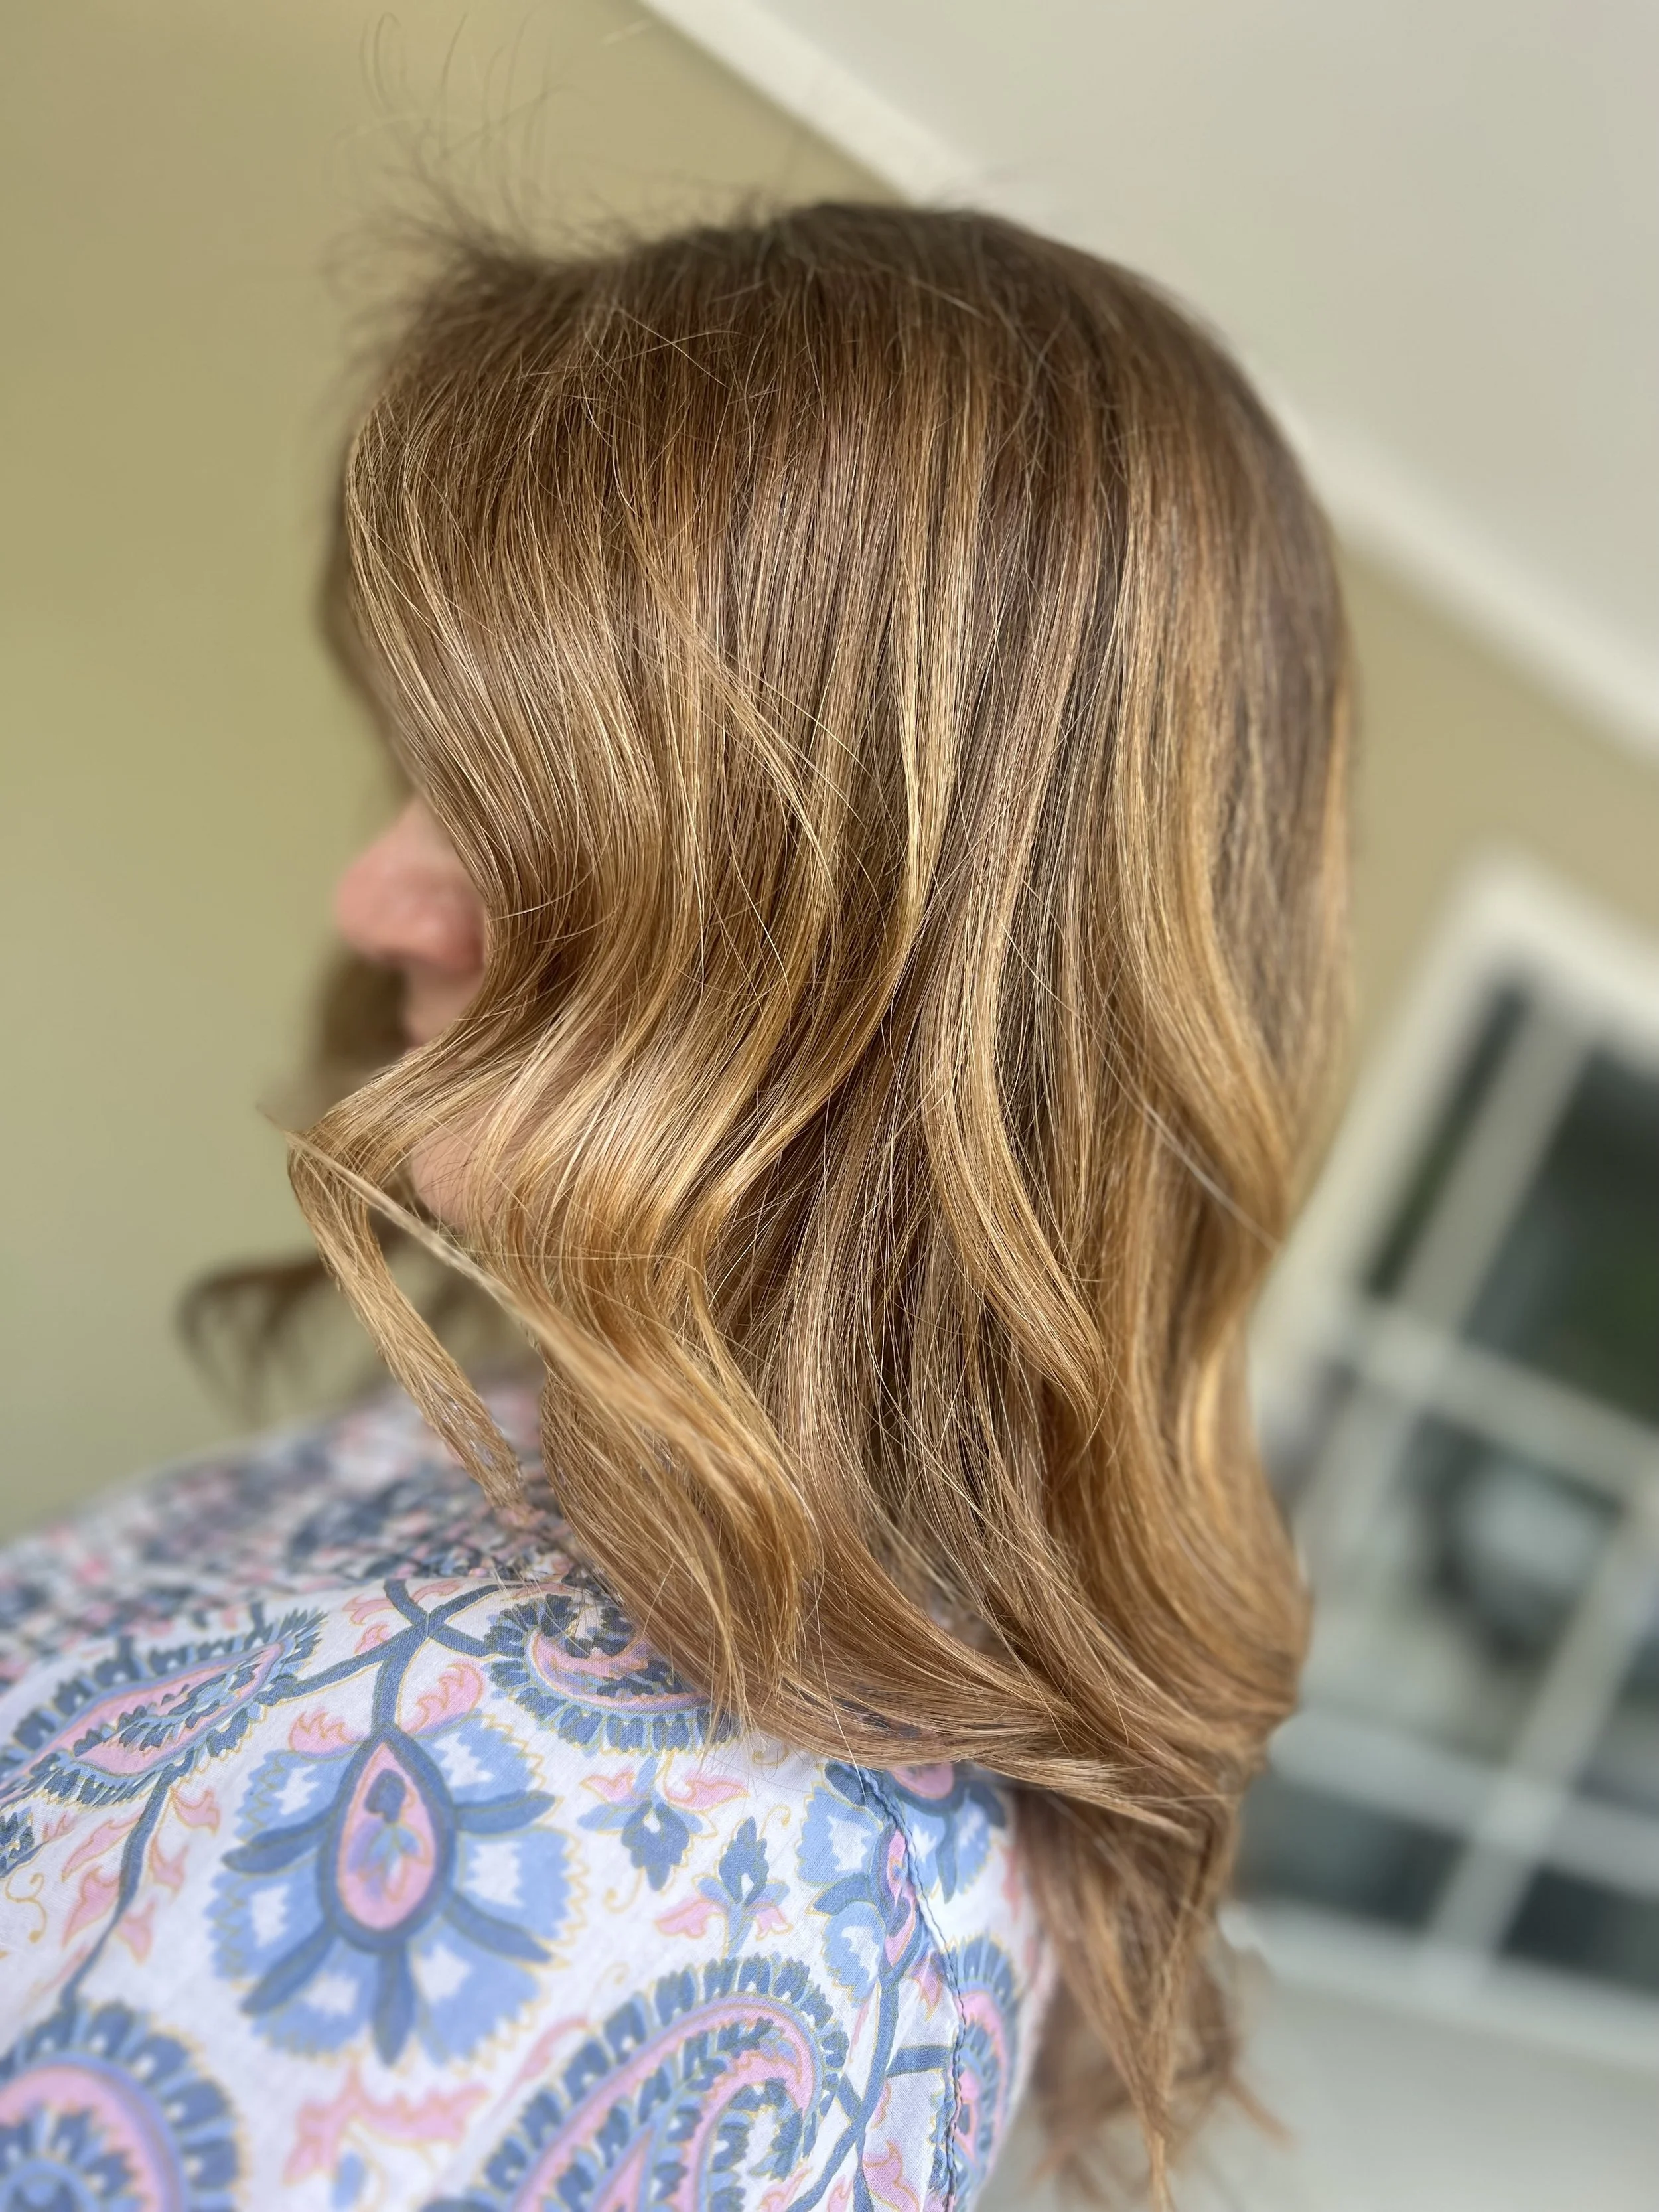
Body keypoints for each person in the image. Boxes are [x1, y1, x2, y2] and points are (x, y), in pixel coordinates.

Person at [0, 202, 1350, 2209]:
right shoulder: (675, 1505)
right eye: (415, 765)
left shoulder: (481, 1812)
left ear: (906, 936)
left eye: (513, 801)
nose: (373, 902)